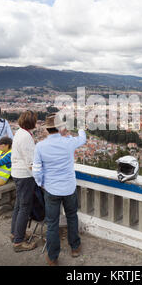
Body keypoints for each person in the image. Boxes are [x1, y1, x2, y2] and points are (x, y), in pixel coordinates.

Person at [33, 113, 86, 266]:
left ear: (48, 130)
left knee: (52, 223)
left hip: (51, 189)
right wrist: (80, 127)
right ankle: (75, 248)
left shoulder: (40, 146)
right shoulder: (68, 142)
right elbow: (83, 138)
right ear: (59, 128)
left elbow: (36, 170)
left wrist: (41, 183)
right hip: (69, 188)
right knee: (72, 216)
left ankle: (53, 257)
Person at [10, 110, 38, 252]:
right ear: (31, 122)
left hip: (17, 172)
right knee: (25, 207)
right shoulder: (26, 137)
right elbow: (30, 162)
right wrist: (39, 178)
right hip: (24, 175)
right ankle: (18, 242)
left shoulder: (19, 132)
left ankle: (15, 233)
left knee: (19, 205)